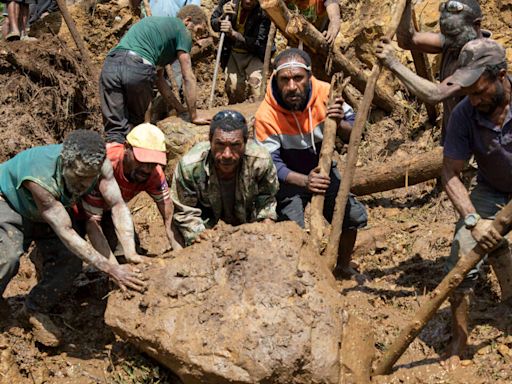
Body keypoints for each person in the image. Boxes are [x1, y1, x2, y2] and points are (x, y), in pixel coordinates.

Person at [0, 130, 145, 347]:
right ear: (65, 162)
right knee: (8, 257)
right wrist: (110, 268)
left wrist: (130, 252)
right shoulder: (41, 176)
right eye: (78, 176)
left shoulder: (100, 164)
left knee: (70, 262)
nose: (84, 184)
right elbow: (66, 231)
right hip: (10, 202)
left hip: (46, 213)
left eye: (89, 178)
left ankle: (33, 309)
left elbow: (117, 205)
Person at [254, 48, 368, 279]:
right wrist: (305, 181)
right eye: (285, 80)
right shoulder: (266, 115)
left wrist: (337, 121)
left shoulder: (326, 92)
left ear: (309, 77)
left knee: (352, 216)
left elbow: (356, 132)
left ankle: (343, 266)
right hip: (288, 179)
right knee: (291, 231)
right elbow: (272, 165)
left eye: (298, 78)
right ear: (276, 79)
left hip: (323, 169)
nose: (292, 86)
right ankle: (298, 276)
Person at [441, 39, 512, 369]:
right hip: (492, 190)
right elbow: (450, 174)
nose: (473, 99)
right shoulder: (464, 114)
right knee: (462, 255)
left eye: (479, 90)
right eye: (467, 92)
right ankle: (460, 337)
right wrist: (473, 219)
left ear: (501, 75)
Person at [375, 0, 487, 142]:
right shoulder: (456, 40)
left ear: (476, 25)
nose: (448, 39)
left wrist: (393, 63)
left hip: (478, 147)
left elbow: (435, 94)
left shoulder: (481, 59)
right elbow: (408, 40)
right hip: (454, 140)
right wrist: (406, 5)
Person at [99, 4, 210, 144]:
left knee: (115, 132)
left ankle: (115, 159)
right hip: (136, 67)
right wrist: (194, 116)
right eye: (198, 31)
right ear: (187, 21)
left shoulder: (159, 31)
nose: (197, 38)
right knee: (140, 128)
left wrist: (179, 108)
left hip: (110, 65)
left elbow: (159, 80)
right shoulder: (182, 30)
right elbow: (188, 76)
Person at [171, 109, 279, 246]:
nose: (227, 154)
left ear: (245, 143)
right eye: (220, 145)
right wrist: (198, 233)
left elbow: (267, 199)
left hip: (249, 231)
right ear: (210, 141)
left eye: (235, 145)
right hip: (209, 233)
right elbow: (184, 211)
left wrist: (265, 224)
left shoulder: (260, 161)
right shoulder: (190, 167)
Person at [81, 123, 181, 256]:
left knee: (125, 254)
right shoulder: (105, 162)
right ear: (126, 148)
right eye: (142, 160)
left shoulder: (154, 175)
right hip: (75, 205)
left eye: (152, 164)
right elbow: (92, 223)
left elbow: (168, 217)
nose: (146, 169)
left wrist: (180, 252)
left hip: (111, 209)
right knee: (69, 261)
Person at [210, 0, 271, 103]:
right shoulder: (228, 2)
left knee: (256, 86)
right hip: (233, 53)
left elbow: (258, 43)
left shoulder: (264, 11)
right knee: (233, 88)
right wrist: (222, 18)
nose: (248, 1)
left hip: (254, 54)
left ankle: (258, 115)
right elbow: (213, 22)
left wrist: (233, 33)